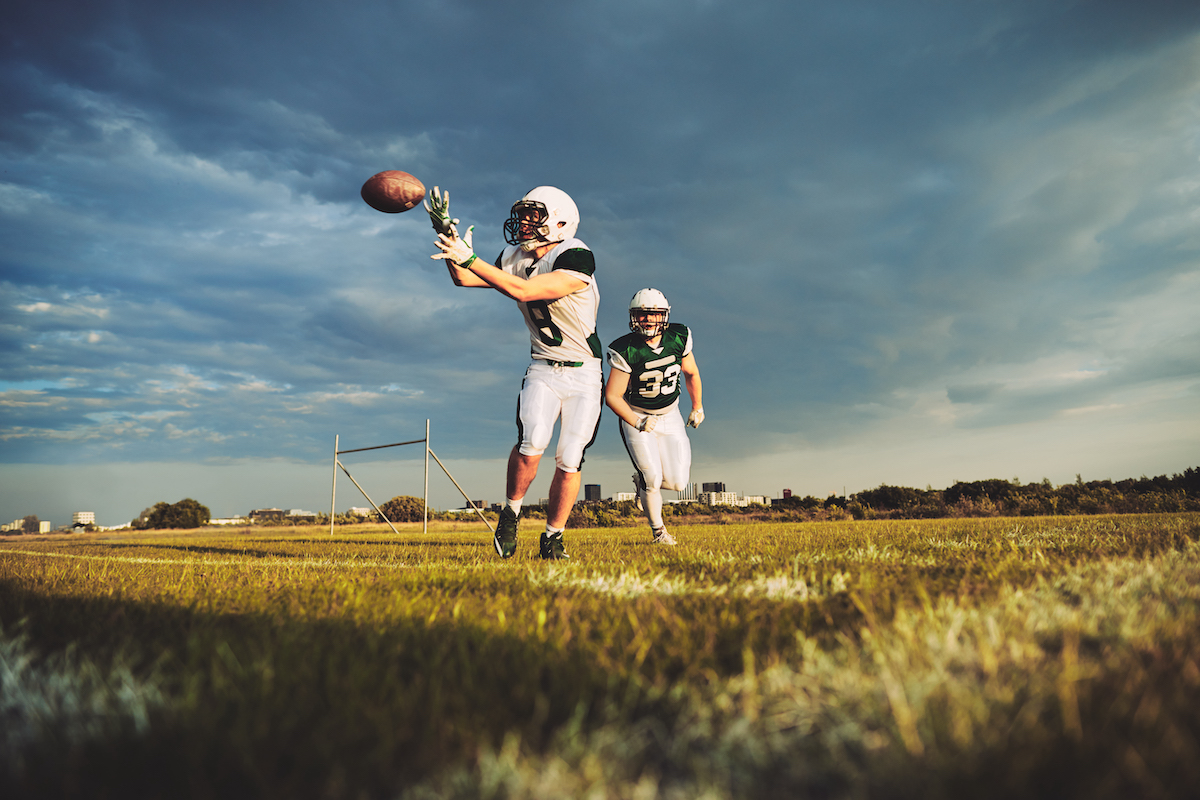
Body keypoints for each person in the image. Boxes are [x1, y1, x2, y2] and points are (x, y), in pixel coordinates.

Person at [429, 186, 601, 560]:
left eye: (533, 216)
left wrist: (470, 257)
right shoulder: (513, 255)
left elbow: (525, 291)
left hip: (585, 372)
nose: (523, 222)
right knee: (533, 441)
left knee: (570, 458)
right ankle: (510, 514)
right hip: (543, 365)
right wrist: (449, 241)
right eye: (522, 214)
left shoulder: (574, 254)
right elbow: (465, 278)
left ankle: (553, 537)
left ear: (559, 223)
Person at [604, 288, 703, 545]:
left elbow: (691, 373)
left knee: (679, 482)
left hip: (670, 414)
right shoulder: (625, 349)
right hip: (636, 414)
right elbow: (613, 396)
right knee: (653, 479)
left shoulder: (679, 337)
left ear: (664, 316)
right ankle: (659, 533)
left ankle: (641, 484)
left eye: (654, 314)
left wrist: (697, 406)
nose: (648, 320)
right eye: (641, 315)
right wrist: (637, 422)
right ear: (633, 317)